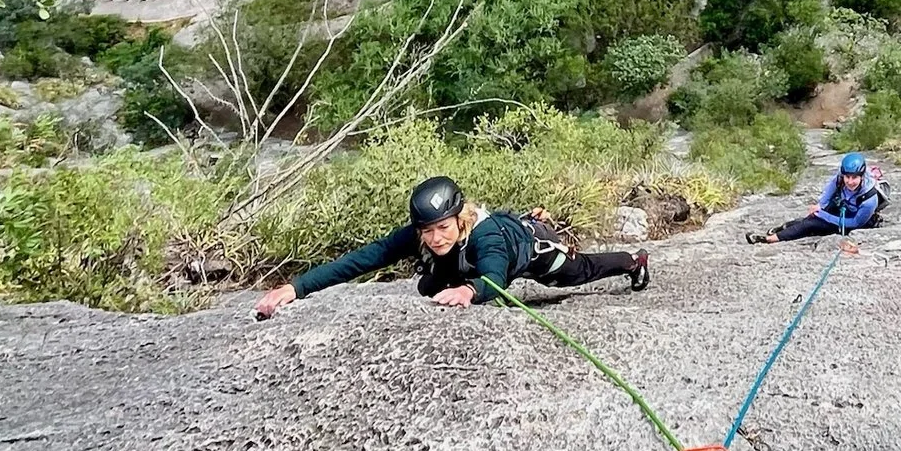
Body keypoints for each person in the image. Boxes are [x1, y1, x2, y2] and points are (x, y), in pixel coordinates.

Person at [253, 175, 649, 318]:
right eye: (427, 230)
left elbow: (495, 276)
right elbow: (363, 260)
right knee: (431, 284)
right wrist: (297, 287)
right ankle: (451, 277)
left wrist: (469, 291)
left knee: (578, 273)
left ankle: (633, 261)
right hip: (471, 265)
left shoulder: (486, 234)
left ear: (459, 219)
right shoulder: (422, 235)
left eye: (443, 227)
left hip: (529, 251)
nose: (435, 237)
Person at [748, 152, 886, 244]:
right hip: (844, 207)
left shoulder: (869, 199)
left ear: (862, 176)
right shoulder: (841, 176)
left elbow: (855, 223)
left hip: (854, 220)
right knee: (812, 218)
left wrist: (824, 215)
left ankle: (768, 239)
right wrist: (821, 205)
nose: (850, 181)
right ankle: (785, 227)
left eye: (854, 177)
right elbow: (831, 188)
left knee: (812, 224)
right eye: (847, 177)